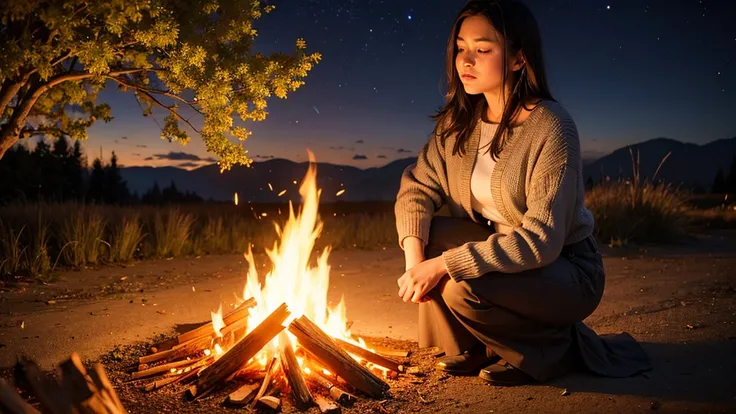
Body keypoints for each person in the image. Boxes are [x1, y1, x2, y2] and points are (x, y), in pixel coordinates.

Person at [394, 0, 651, 386]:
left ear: (518, 59)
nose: (465, 60)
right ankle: (479, 343)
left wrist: (443, 265)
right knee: (430, 239)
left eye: (482, 50)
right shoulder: (458, 123)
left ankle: (548, 350)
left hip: (565, 269)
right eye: (460, 47)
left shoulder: (552, 126)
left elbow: (541, 241)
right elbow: (417, 187)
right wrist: (416, 260)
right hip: (508, 259)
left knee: (460, 283)